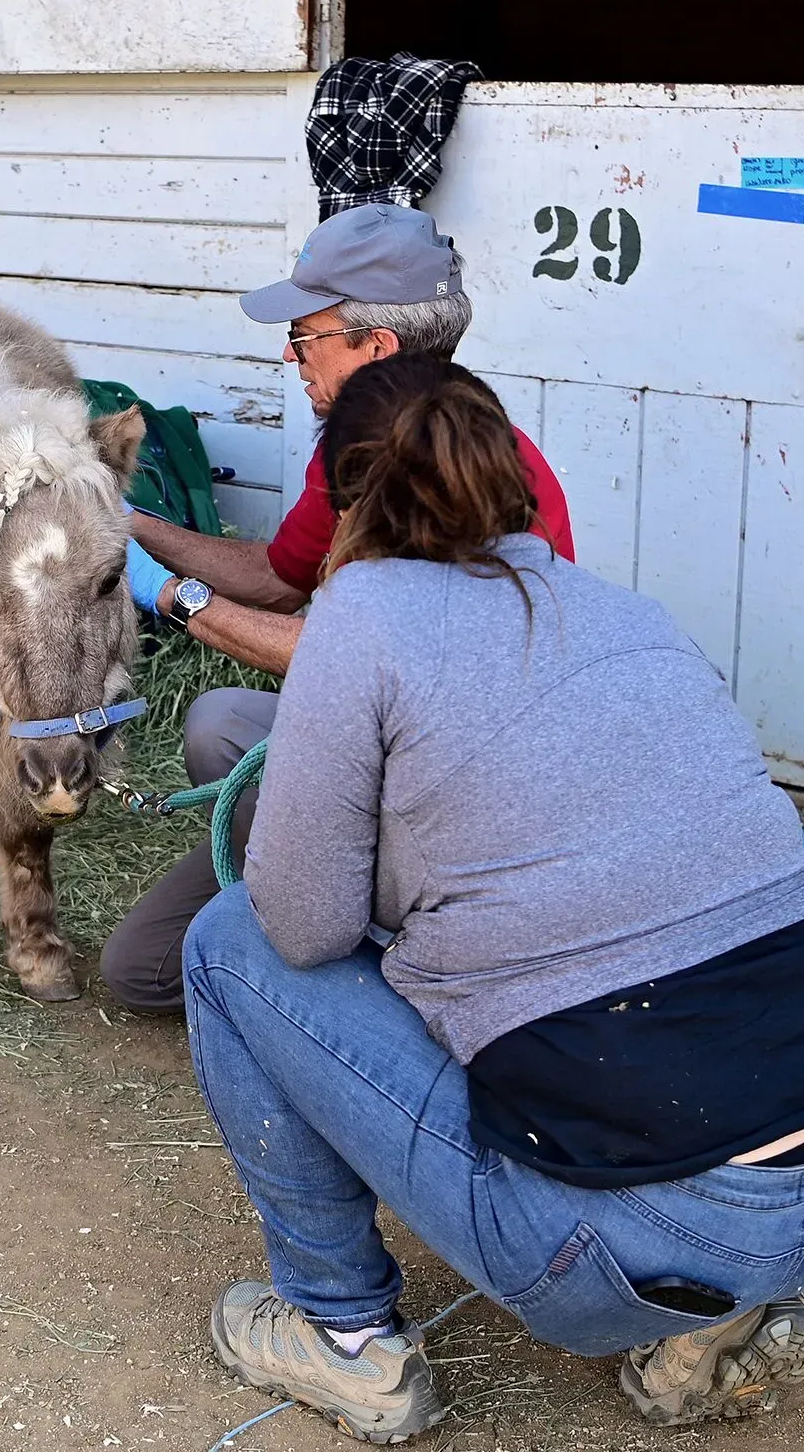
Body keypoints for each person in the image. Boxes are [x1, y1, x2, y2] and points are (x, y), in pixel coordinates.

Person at [179, 356, 804, 1440]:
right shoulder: (628, 610)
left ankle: (343, 1338)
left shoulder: (366, 612)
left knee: (225, 940)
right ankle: (722, 1311)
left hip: (646, 1230)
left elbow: (303, 924)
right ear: (510, 473)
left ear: (346, 506)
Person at [101, 203, 577, 1013]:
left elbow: (349, 659)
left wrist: (172, 595)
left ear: (375, 345)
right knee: (217, 733)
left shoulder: (460, 481)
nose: (291, 357)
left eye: (306, 336)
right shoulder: (359, 449)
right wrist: (126, 523)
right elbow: (281, 575)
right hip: (381, 740)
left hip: (457, 784)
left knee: (161, 963)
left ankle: (385, 946)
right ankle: (332, 884)